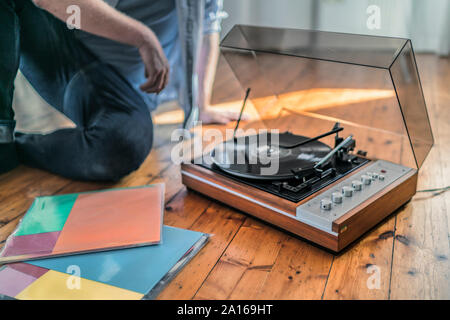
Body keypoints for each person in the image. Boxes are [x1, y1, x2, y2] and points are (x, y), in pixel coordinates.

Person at [0, 0, 238, 181]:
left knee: (122, 144)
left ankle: (18, 146)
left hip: (121, 87)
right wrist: (141, 36)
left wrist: (201, 104)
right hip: (65, 49)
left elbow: (208, 28)